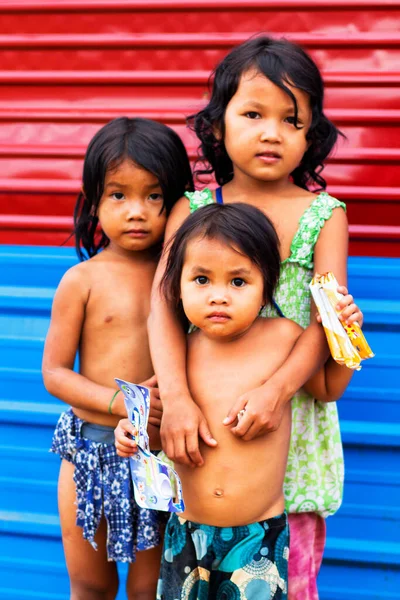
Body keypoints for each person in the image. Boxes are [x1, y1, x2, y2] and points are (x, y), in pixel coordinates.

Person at [147, 36, 362, 599]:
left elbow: (327, 318)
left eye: (292, 121)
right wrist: (178, 398)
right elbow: (162, 308)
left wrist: (275, 391)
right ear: (217, 126)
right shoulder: (193, 209)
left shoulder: (323, 215)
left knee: (288, 576)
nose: (272, 132)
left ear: (311, 136)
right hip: (206, 414)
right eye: (253, 114)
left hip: (290, 413)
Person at [116, 203, 363, 599]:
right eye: (201, 280)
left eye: (237, 282)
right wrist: (131, 433)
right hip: (186, 534)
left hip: (259, 538)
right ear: (176, 286)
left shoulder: (285, 338)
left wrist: (345, 333)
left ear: (266, 285)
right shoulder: (179, 358)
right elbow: (152, 428)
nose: (218, 297)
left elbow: (330, 388)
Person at [42, 116, 193, 600]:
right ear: (93, 202)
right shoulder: (82, 280)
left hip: (158, 456)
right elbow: (54, 372)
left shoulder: (186, 278)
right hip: (91, 448)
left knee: (151, 587)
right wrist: (118, 404)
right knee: (90, 583)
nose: (137, 212)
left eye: (154, 196)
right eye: (118, 195)